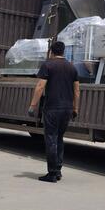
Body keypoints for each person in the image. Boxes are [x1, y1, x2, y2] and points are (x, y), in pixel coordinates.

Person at [28, 41, 80, 183]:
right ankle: (58, 171)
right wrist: (75, 108)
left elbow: (40, 86)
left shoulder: (48, 65)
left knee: (51, 139)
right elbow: (77, 90)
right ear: (63, 51)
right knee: (59, 139)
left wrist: (33, 105)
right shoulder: (72, 67)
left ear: (51, 51)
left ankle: (51, 174)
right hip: (67, 109)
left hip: (52, 108)